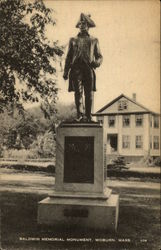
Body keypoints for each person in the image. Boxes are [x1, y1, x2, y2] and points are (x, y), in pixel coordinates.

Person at [63, 13, 103, 122]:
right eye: (80, 24)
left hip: (88, 69)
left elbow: (99, 56)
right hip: (76, 69)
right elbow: (68, 57)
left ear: (88, 26)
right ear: (78, 26)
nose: (82, 26)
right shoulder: (73, 40)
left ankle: (89, 116)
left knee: (89, 94)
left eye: (84, 24)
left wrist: (95, 62)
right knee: (78, 93)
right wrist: (66, 72)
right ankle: (79, 115)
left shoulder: (94, 40)